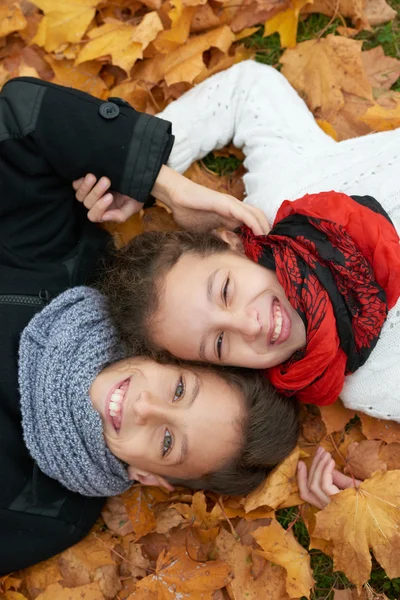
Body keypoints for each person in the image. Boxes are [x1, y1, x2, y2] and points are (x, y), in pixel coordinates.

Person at [0, 75, 298, 575]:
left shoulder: (41, 513)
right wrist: (163, 184)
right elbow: (20, 115)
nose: (144, 406)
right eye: (179, 389)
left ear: (150, 477)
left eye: (166, 442)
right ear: (165, 354)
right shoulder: (67, 262)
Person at [79, 61, 400, 421]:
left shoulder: (282, 192)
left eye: (226, 290)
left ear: (231, 243)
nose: (249, 326)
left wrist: (151, 177)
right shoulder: (370, 385)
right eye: (219, 344)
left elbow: (246, 89)